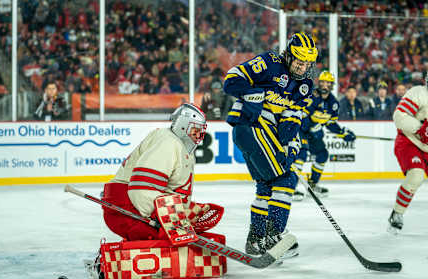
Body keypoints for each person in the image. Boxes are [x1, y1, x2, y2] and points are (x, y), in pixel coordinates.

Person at [223, 32, 318, 257]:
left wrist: (288, 149)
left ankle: (255, 241)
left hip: (264, 133)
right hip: (251, 127)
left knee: (267, 185)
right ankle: (274, 238)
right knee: (286, 179)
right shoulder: (270, 62)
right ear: (288, 55)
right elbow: (231, 80)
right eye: (298, 61)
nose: (302, 67)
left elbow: (290, 124)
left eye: (307, 63)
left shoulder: (305, 87)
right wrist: (252, 93)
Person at [101, 103, 215, 241]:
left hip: (133, 207)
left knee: (182, 239)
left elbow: (168, 192)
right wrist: (170, 221)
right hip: (126, 209)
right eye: (194, 129)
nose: (198, 135)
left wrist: (187, 210)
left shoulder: (179, 146)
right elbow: (142, 191)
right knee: (174, 241)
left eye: (200, 131)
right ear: (183, 125)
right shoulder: (168, 142)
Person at [292, 71, 356, 200]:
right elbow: (303, 116)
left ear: (332, 85)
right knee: (301, 155)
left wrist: (343, 133)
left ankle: (312, 185)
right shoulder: (312, 96)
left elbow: (330, 123)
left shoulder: (334, 103)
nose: (325, 85)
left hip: (313, 133)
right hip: (301, 131)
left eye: (328, 83)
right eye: (323, 82)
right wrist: (313, 125)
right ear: (319, 83)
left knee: (322, 154)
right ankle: (290, 188)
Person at [388, 74, 428, 234]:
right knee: (416, 176)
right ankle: (397, 213)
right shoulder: (419, 93)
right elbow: (399, 116)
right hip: (409, 142)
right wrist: (419, 127)